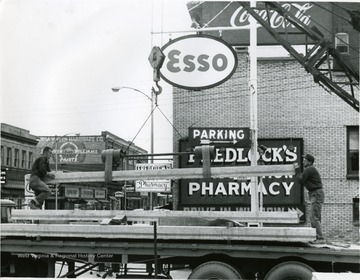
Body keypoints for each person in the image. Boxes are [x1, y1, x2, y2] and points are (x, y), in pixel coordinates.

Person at [294, 154, 325, 244]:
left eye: (305, 160)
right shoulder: (310, 169)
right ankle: (317, 237)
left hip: (316, 194)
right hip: (316, 193)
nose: (303, 161)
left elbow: (300, 180)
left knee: (313, 217)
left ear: (310, 162)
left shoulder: (309, 169)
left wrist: (296, 169)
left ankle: (320, 238)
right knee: (316, 216)